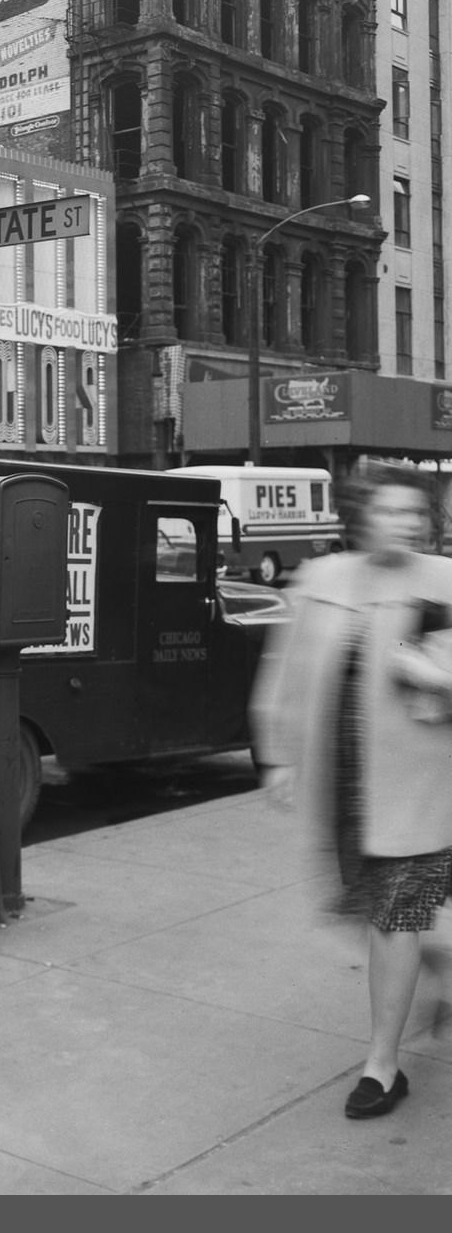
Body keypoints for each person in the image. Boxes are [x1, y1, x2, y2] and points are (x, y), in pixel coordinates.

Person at [251, 462, 452, 1119]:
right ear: (363, 515)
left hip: (423, 788)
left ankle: (382, 1066)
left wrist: (430, 673)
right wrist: (277, 754)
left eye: (416, 513)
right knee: (361, 912)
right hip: (342, 788)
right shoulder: (324, 578)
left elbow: (439, 678)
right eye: (392, 511)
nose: (406, 523)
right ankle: (438, 962)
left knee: (394, 916)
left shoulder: (442, 582)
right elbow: (285, 668)